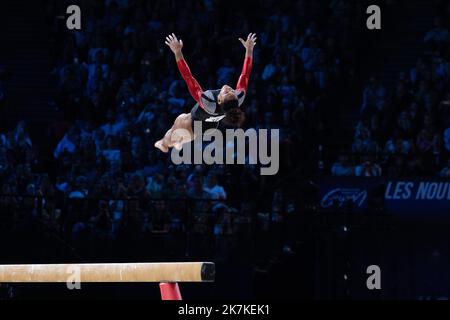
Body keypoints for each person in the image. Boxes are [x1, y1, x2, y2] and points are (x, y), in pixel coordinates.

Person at [154, 33, 256, 153]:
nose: (228, 88)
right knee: (182, 132)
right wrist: (249, 49)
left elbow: (188, 78)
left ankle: (164, 143)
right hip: (211, 126)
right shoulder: (237, 98)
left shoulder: (208, 102)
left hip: (194, 123)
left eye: (226, 92)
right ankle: (180, 140)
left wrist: (177, 52)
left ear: (219, 100)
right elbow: (245, 74)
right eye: (232, 90)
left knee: (178, 122)